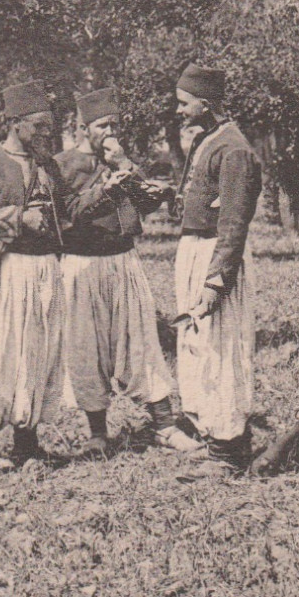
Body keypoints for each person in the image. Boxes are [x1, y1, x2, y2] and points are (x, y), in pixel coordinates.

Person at [56, 87, 195, 458]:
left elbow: (147, 202)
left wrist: (126, 167)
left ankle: (164, 426)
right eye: (102, 125)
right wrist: (104, 191)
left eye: (114, 125)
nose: (109, 132)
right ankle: (97, 433)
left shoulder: (120, 161)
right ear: (83, 128)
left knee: (141, 340)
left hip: (122, 260)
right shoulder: (62, 165)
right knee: (86, 348)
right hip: (81, 264)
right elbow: (66, 215)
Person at [0, 80, 67, 469]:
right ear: (16, 123)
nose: (45, 133)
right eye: (38, 126)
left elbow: (66, 214)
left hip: (45, 271)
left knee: (37, 354)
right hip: (6, 269)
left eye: (48, 127)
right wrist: (19, 218)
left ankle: (27, 444)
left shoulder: (49, 165)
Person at [174, 63, 261, 468]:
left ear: (205, 105)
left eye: (183, 103)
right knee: (198, 348)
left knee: (222, 351)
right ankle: (211, 433)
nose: (178, 110)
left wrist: (215, 282)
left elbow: (233, 222)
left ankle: (229, 448)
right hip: (195, 251)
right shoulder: (207, 139)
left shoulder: (234, 149)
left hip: (215, 258)